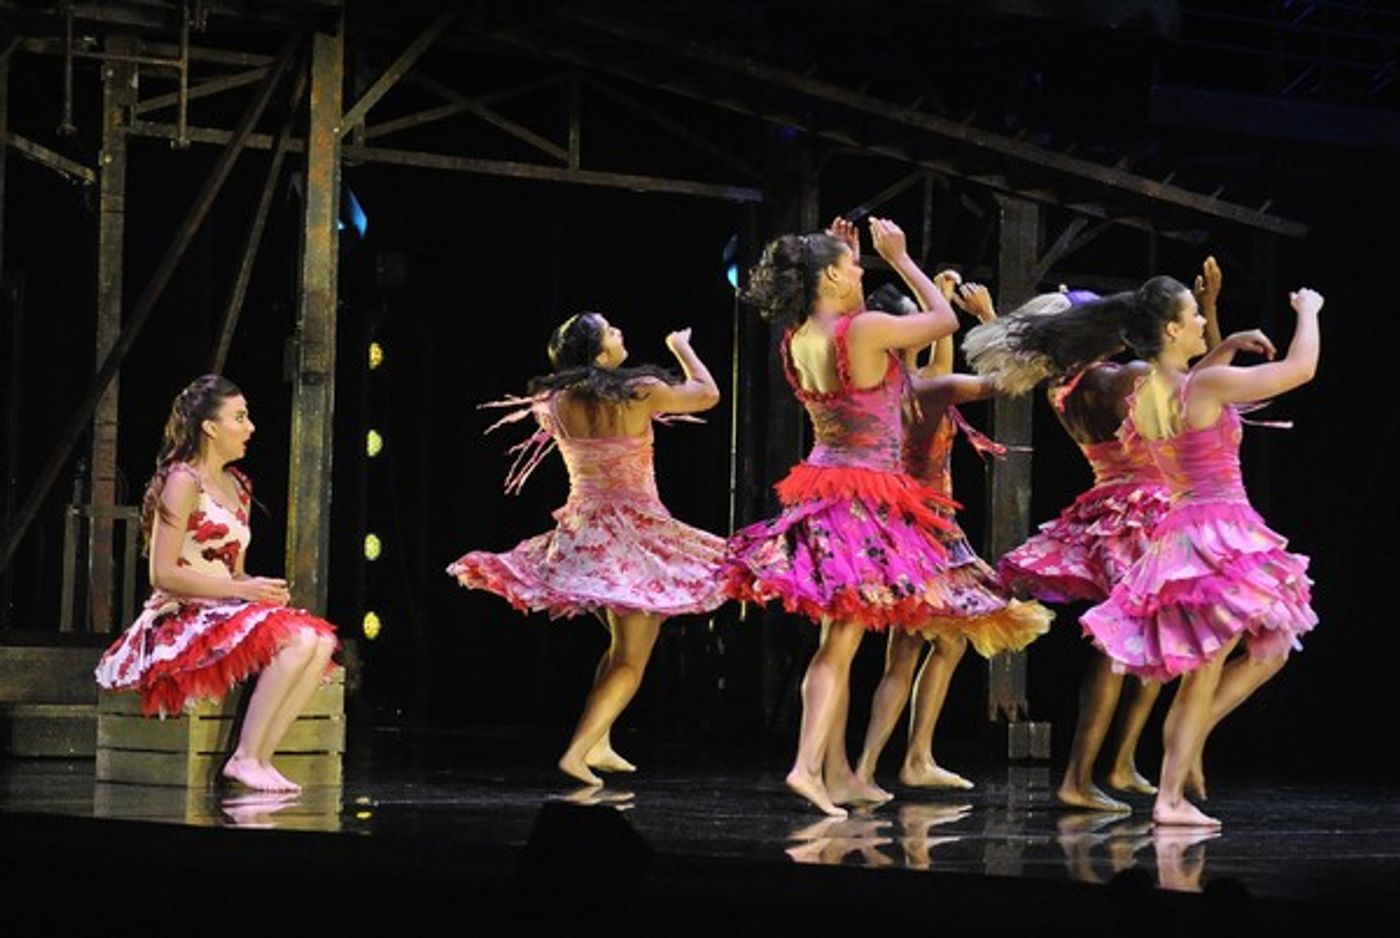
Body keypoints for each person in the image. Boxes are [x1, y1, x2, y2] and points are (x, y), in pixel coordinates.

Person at [723, 216, 959, 816]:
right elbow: (944, 321)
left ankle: (837, 772)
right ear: (829, 275)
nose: (862, 272)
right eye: (853, 266)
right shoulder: (869, 327)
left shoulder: (799, 337)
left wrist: (845, 261)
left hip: (824, 486)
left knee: (842, 640)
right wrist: (902, 259)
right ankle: (806, 766)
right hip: (867, 497)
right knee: (839, 645)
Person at [448, 313, 724, 787]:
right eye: (611, 331)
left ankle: (599, 741)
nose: (620, 333)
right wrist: (681, 347)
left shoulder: (552, 401)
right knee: (632, 660)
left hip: (585, 535)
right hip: (636, 536)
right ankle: (577, 751)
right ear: (599, 353)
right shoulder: (639, 390)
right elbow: (708, 393)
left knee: (621, 648)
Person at [852, 278, 1052, 793]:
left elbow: (936, 368)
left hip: (905, 530)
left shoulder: (881, 392)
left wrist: (935, 308)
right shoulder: (930, 390)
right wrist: (991, 317)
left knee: (942, 643)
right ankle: (882, 764)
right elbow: (1004, 382)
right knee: (918, 649)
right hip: (930, 535)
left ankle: (903, 759)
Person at [95, 375, 338, 792]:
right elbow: (163, 573)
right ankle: (244, 757)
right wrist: (241, 591)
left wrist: (255, 585)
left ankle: (261, 756)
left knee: (319, 640)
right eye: (239, 417)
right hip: (182, 613)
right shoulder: (182, 480)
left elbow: (232, 570)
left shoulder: (238, 486)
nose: (250, 427)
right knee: (299, 639)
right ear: (209, 427)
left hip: (223, 606)